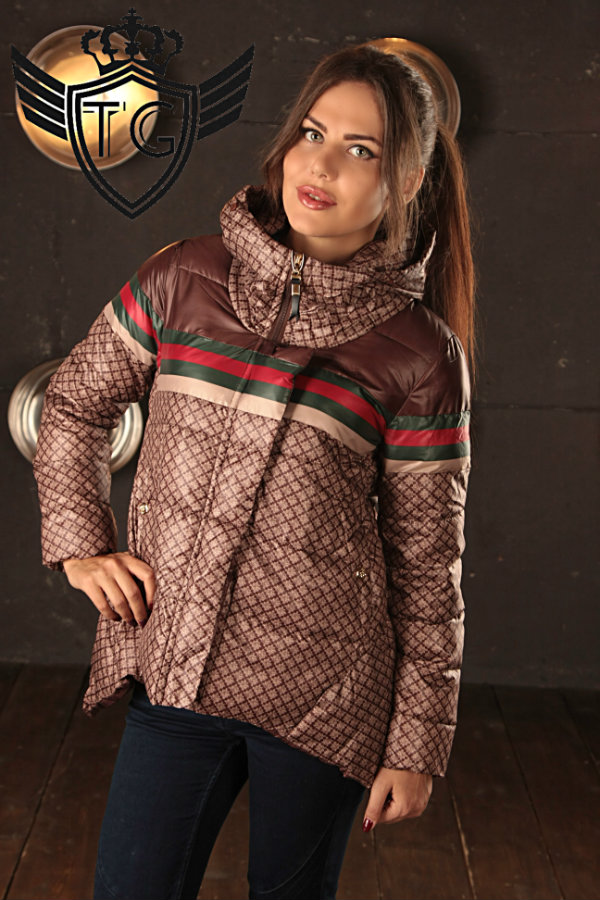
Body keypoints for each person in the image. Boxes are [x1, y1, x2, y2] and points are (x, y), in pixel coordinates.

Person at [33, 42, 475, 900]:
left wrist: (416, 745)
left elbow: (427, 566)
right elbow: (75, 404)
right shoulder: (183, 277)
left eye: (361, 149)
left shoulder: (421, 356)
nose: (322, 165)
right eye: (312, 132)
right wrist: (81, 543)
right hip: (178, 672)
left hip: (326, 702)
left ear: (406, 182)